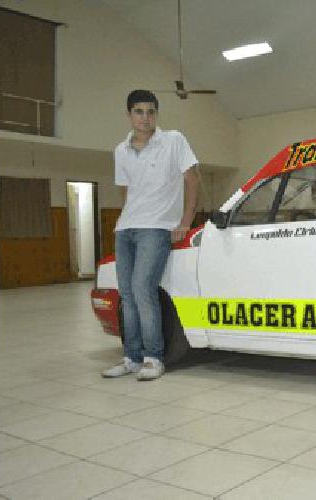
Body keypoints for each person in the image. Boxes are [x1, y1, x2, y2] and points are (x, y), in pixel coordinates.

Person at [102, 90, 199, 381]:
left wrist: (185, 220)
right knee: (128, 296)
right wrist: (126, 218)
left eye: (151, 111)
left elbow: (193, 180)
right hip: (126, 229)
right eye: (139, 111)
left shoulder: (174, 141)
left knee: (144, 291)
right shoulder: (121, 150)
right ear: (129, 114)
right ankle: (131, 357)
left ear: (156, 114)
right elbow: (126, 190)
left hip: (156, 228)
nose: (146, 117)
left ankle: (153, 358)